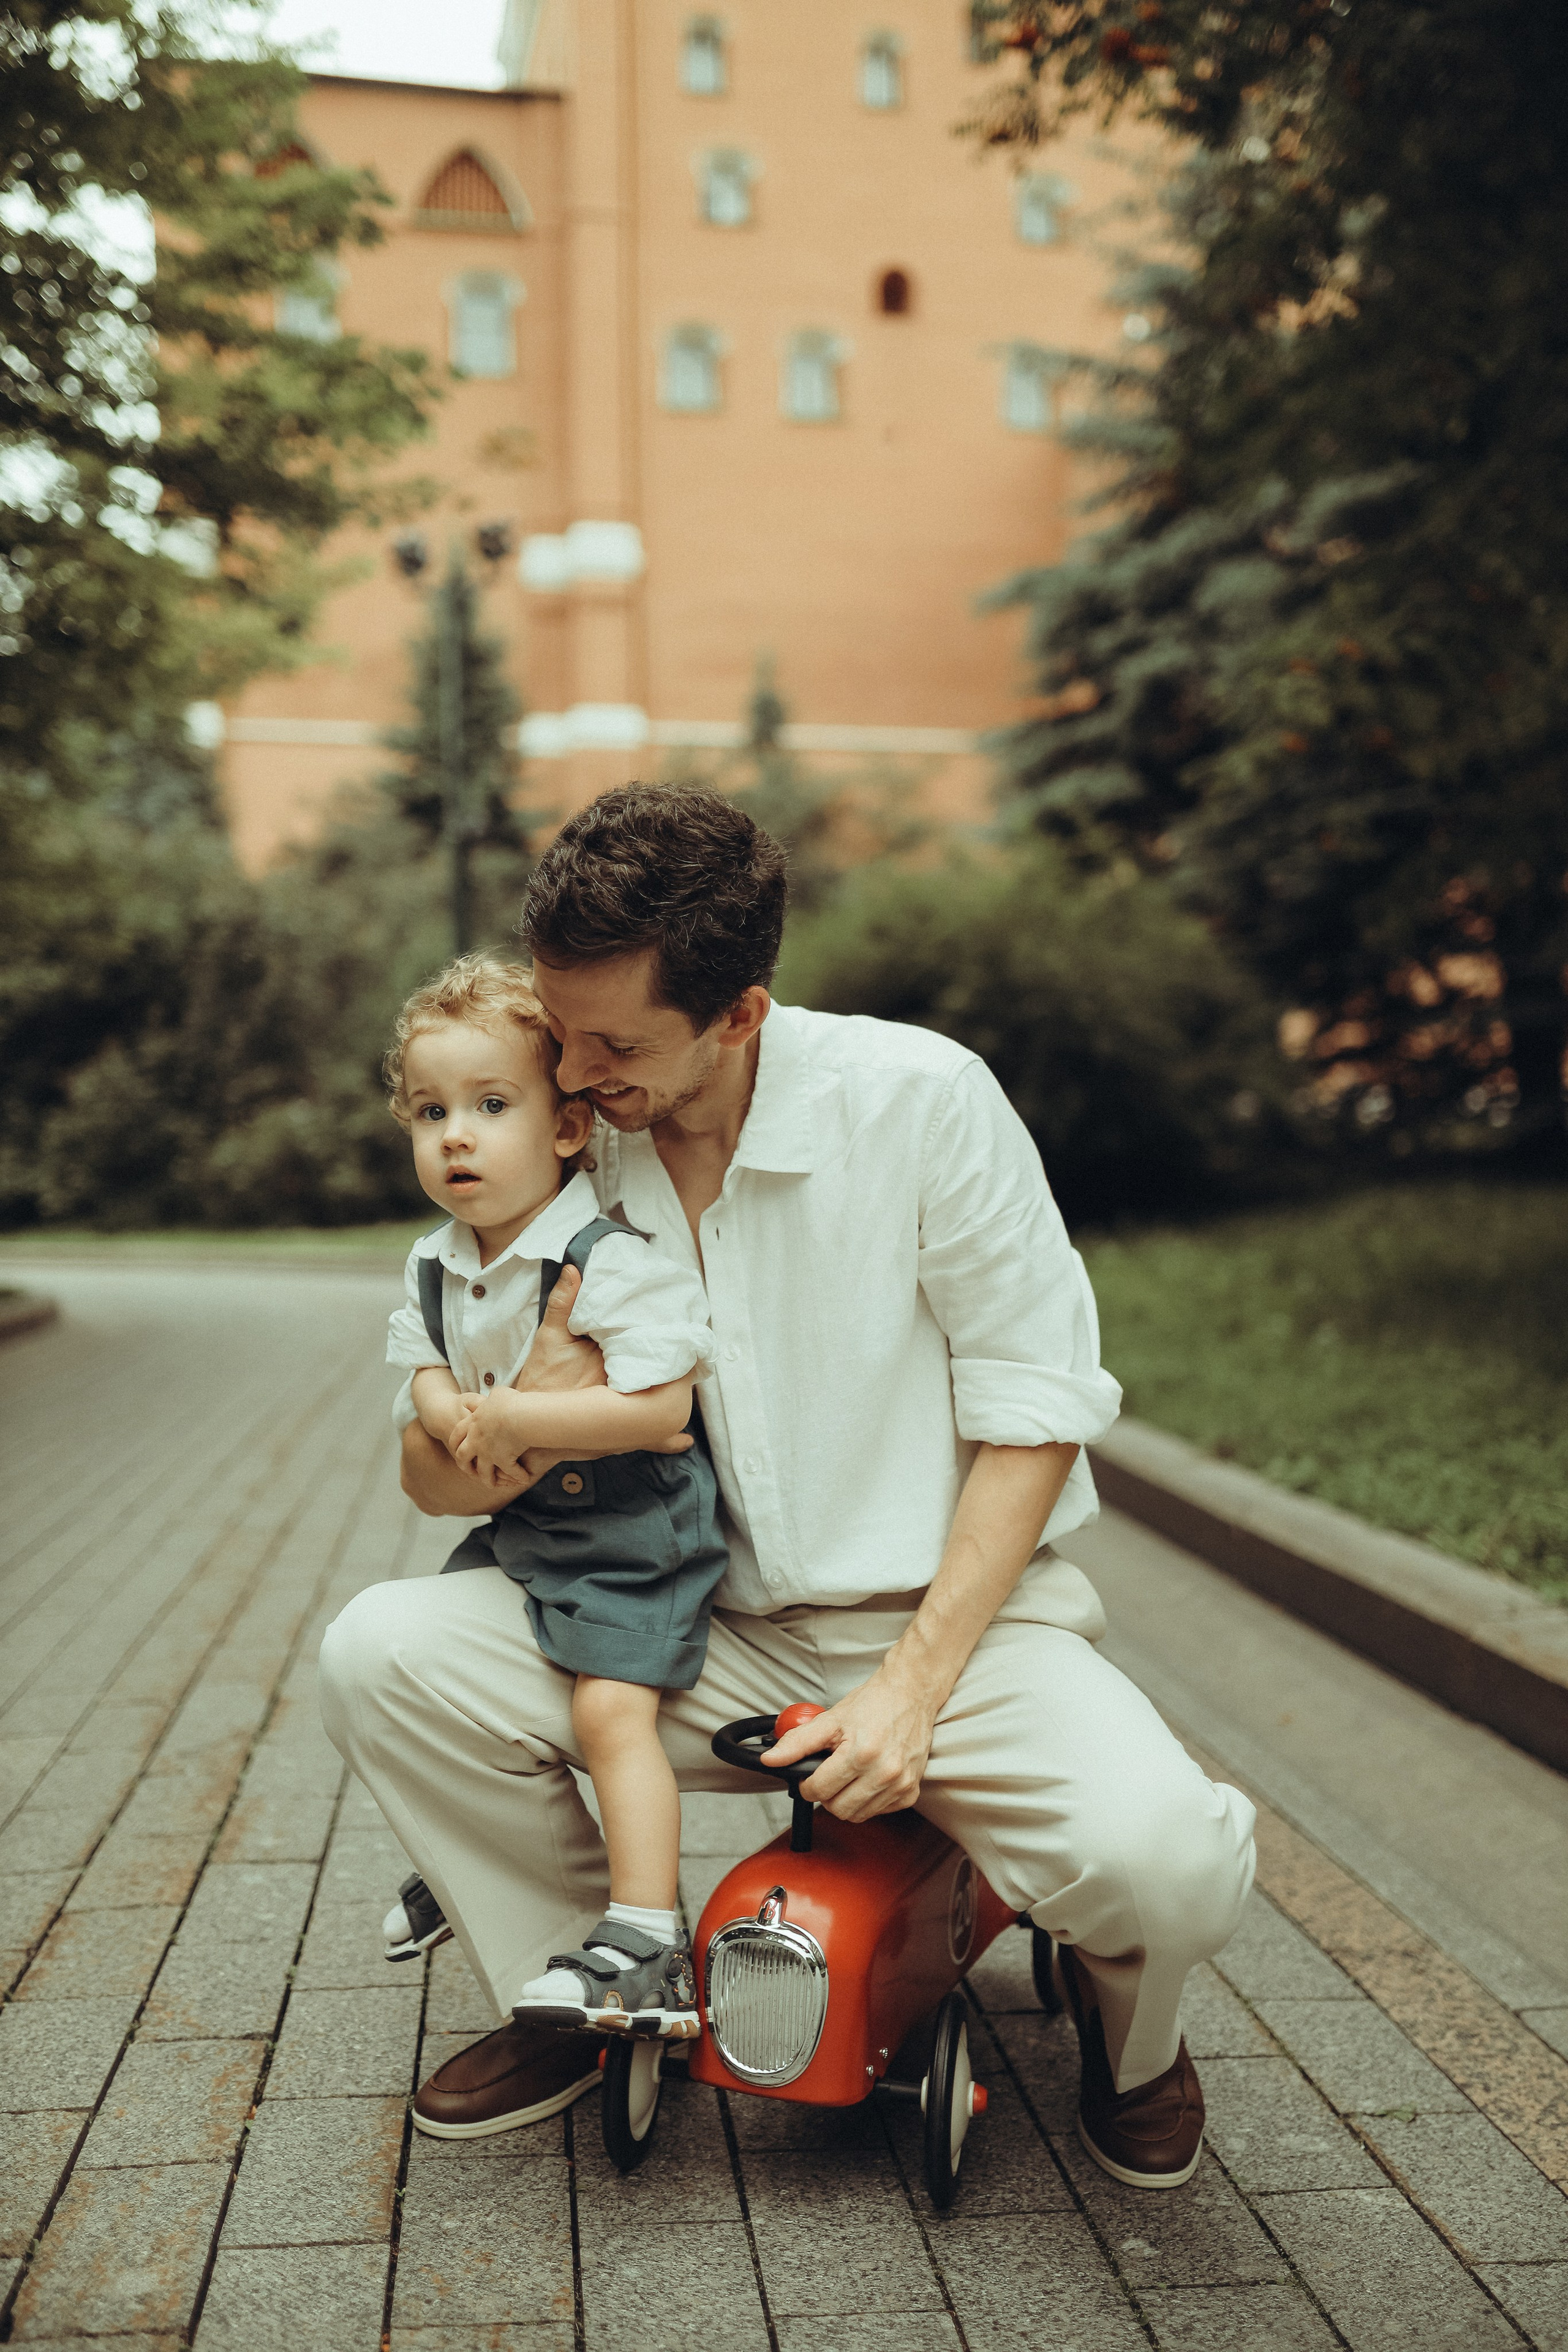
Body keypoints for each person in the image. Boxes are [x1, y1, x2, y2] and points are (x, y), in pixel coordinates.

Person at [320, 785, 1256, 2188]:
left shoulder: (922, 1103)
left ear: (740, 1013)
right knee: (378, 1653)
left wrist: (912, 1690)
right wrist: (510, 1414)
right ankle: (580, 1988)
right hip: (687, 1626)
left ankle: (1131, 2041)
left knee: (1165, 1860)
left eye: (615, 1045)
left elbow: (1034, 1408)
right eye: (559, 1031)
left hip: (954, 1627)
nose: (570, 1073)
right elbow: (448, 1464)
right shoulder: (569, 1134)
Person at [379, 952, 728, 2038]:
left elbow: (661, 1410)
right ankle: (484, 1856)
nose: (459, 1137)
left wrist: (520, 1421)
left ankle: (646, 1933)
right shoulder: (436, 1264)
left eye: (492, 1105)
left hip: (635, 1533)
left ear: (569, 1129)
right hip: (530, 1528)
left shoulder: (603, 1257)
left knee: (607, 1710)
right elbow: (423, 1367)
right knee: (438, 1671)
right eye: (432, 1112)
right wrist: (449, 1416)